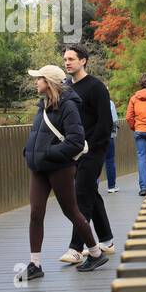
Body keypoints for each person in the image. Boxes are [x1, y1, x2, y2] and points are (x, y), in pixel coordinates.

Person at [17, 65, 107, 280]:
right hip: (39, 166)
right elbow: (39, 133)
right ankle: (35, 265)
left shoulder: (69, 106)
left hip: (59, 167)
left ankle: (95, 252)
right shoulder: (44, 104)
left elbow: (76, 141)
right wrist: (30, 151)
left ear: (48, 82)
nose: (35, 82)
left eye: (38, 79)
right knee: (35, 213)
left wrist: (49, 152)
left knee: (71, 211)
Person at [59, 45, 114, 265]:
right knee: (90, 191)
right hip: (72, 151)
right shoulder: (64, 88)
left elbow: (105, 123)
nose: (67, 62)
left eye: (71, 59)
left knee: (81, 193)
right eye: (65, 59)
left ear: (83, 61)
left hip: (92, 150)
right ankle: (107, 240)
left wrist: (91, 147)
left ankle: (76, 247)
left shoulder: (96, 87)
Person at [105, 97, 119, 193]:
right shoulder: (109, 103)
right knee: (109, 160)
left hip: (94, 137)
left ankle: (94, 185)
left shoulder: (91, 101)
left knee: (95, 161)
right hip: (108, 135)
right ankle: (111, 186)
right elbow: (114, 120)